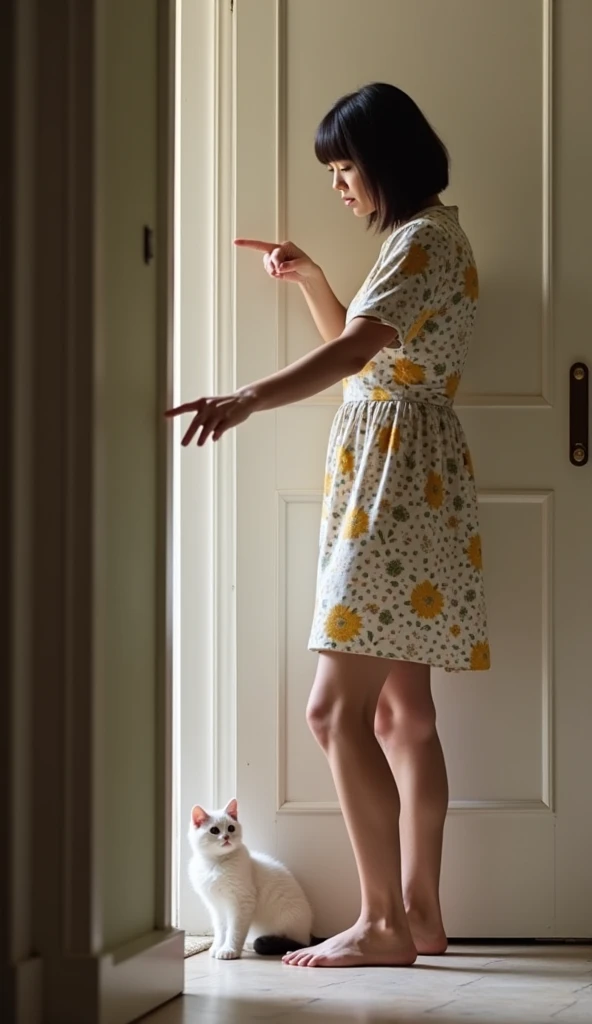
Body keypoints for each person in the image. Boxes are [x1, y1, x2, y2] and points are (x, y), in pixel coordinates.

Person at [167, 82, 490, 969]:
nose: (340, 185)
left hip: (393, 489)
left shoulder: (418, 240)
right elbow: (367, 341)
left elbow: (354, 352)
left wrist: (246, 397)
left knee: (333, 713)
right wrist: (312, 278)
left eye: (345, 166)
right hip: (416, 483)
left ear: (384, 160)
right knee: (403, 719)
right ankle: (419, 914)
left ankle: (385, 924)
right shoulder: (435, 237)